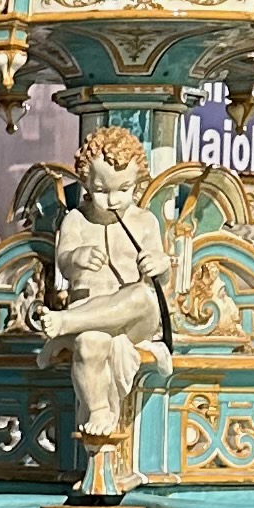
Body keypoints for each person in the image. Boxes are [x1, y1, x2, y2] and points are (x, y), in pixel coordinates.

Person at [40, 128, 174, 473]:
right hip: (91, 314)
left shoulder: (145, 221)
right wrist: (78, 257)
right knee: (89, 344)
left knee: (142, 294)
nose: (113, 200)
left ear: (137, 183)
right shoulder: (76, 220)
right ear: (86, 183)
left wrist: (159, 266)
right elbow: (64, 261)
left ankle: (64, 323)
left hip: (134, 319)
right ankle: (99, 410)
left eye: (124, 190)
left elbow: (161, 281)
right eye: (101, 191)